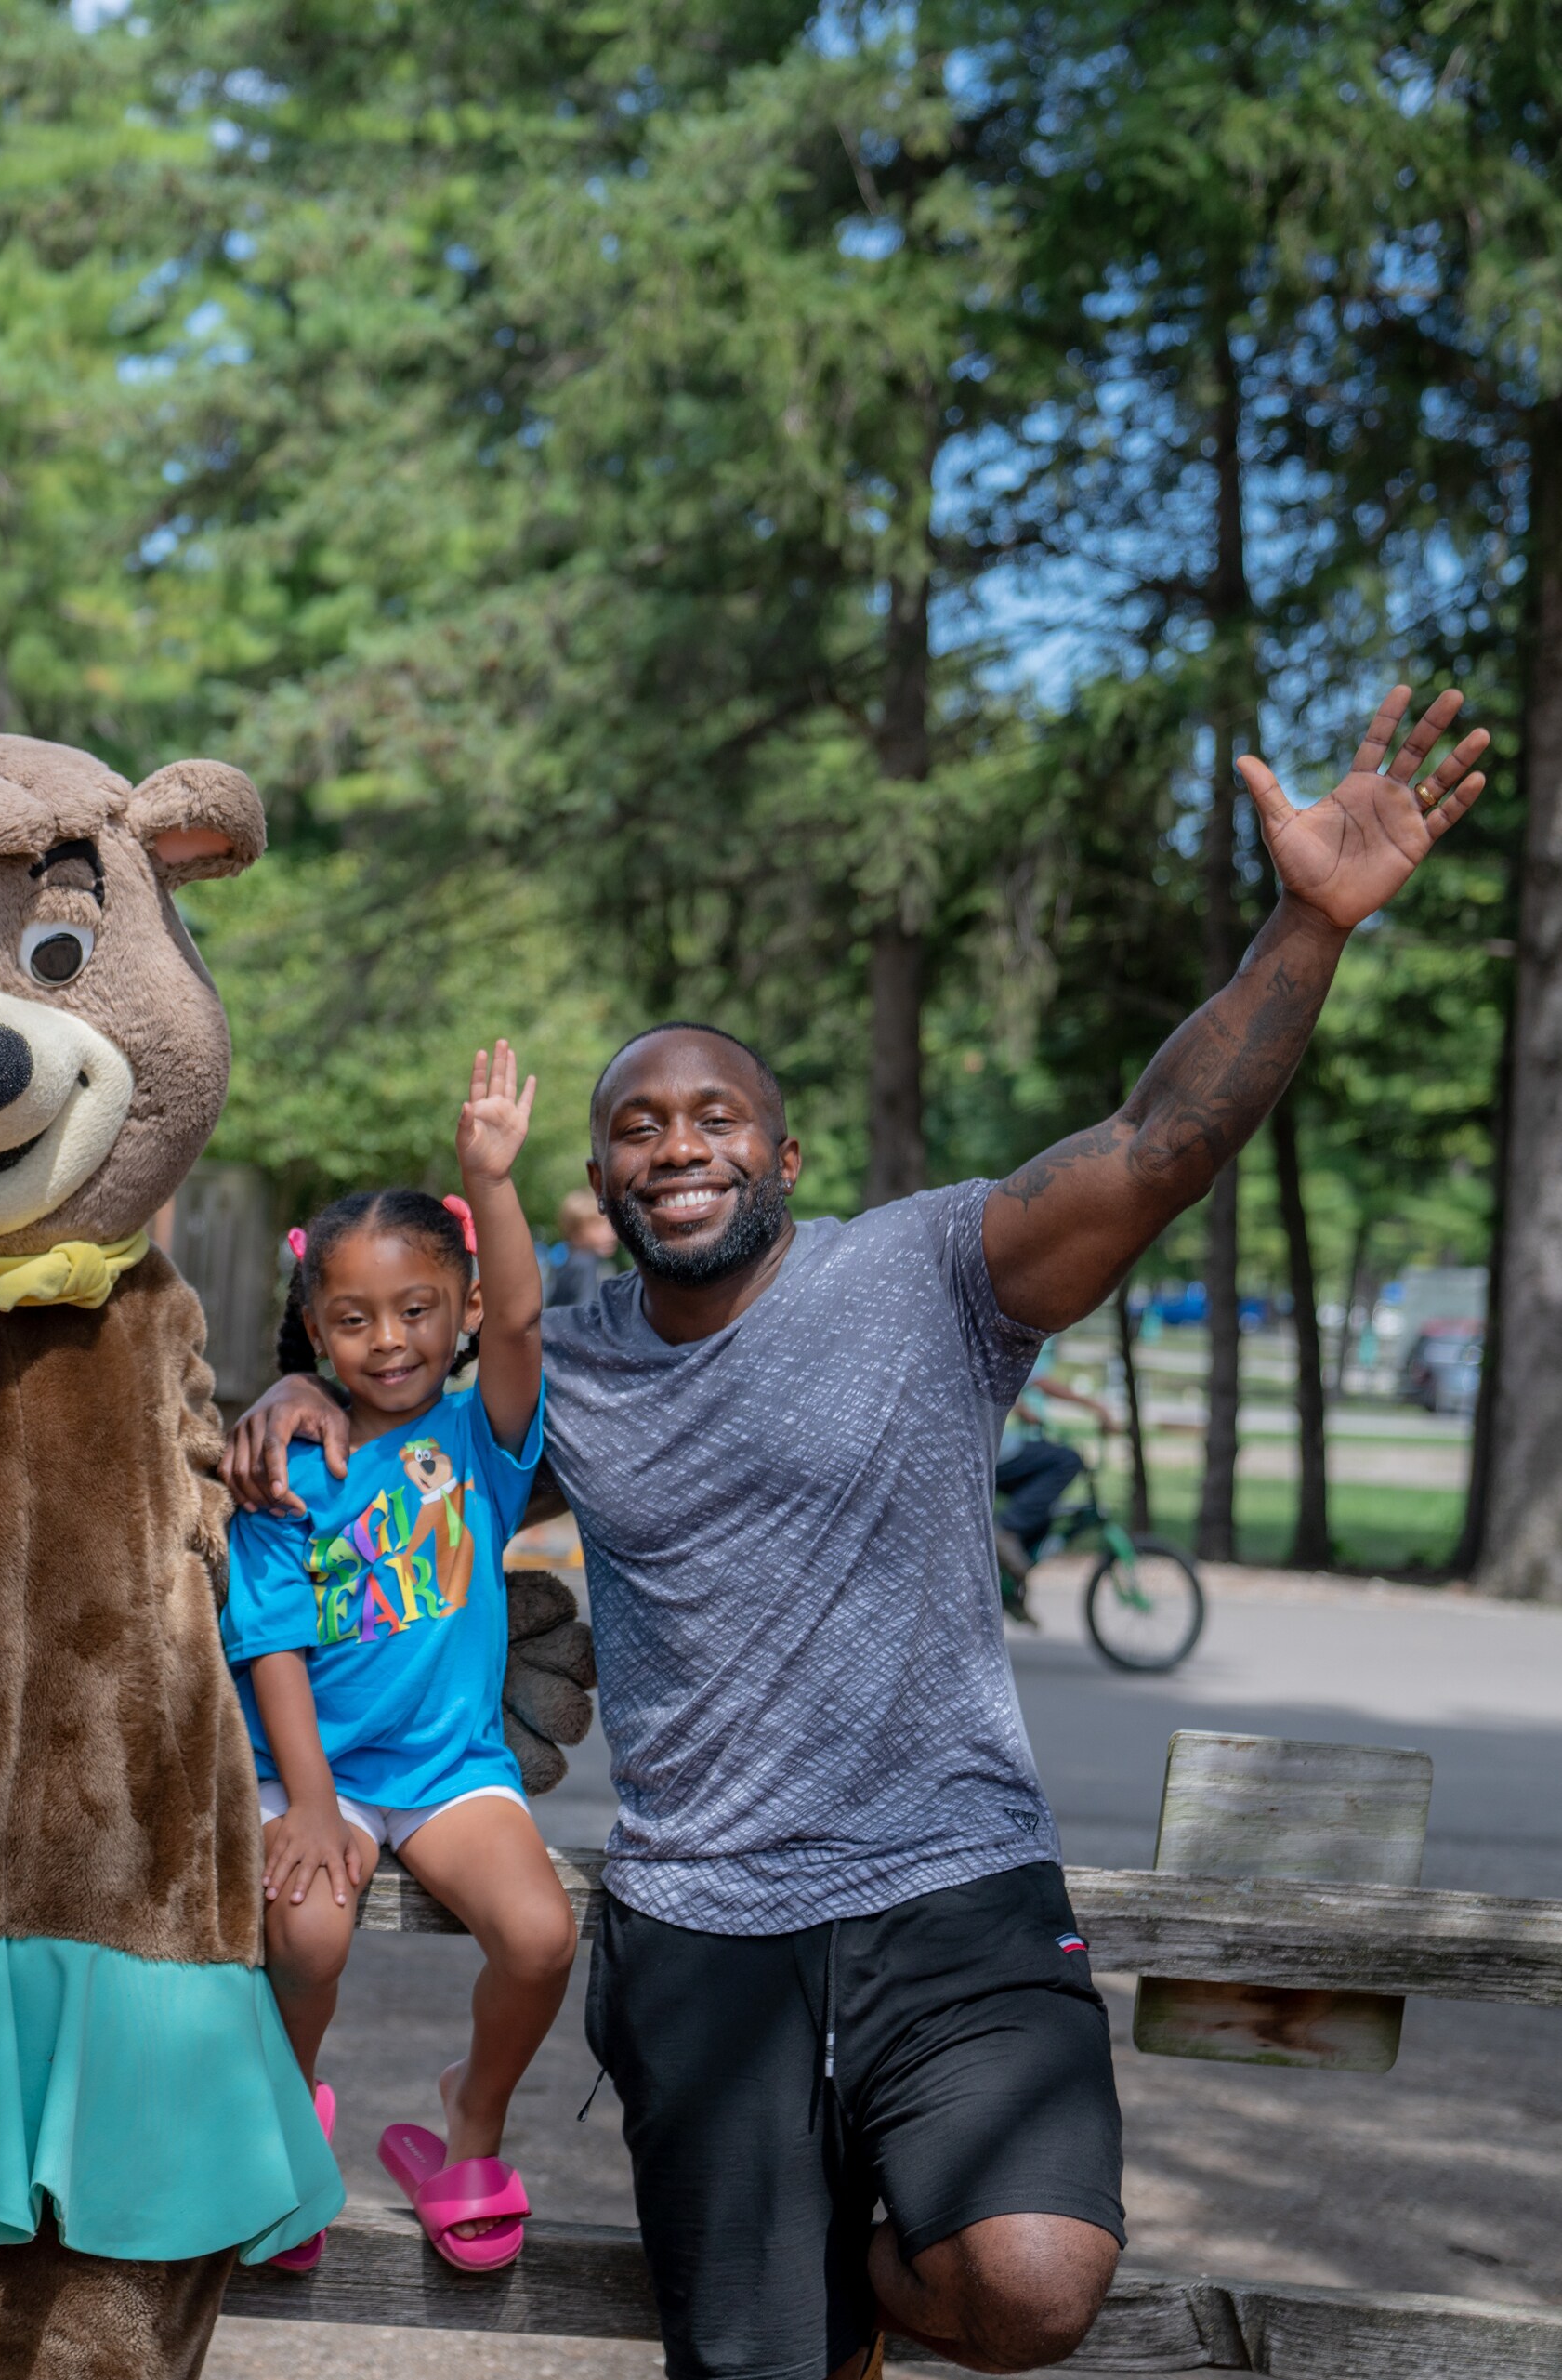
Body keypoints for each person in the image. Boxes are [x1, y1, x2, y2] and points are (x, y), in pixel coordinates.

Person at [229, 688, 1492, 2380]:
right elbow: (394, 1460)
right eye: (638, 1125)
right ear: (603, 1181)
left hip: (953, 1883)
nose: (678, 1140)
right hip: (703, 1931)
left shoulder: (930, 1275)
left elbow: (1159, 1147)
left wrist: (1307, 926)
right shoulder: (568, 1365)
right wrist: (284, 1402)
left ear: (786, 1156)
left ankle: (855, 2271)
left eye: (715, 1116)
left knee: (1037, 2283)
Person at [225, 1038, 573, 2277]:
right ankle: (284, 2118)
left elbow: (530, 1311)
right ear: (314, 1324)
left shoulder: (483, 1438)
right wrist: (310, 1802)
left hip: (447, 1765)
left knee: (540, 1939)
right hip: (314, 1766)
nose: (388, 1340)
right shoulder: (285, 1459)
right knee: (309, 1933)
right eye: (355, 1318)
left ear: (462, 1312)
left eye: (418, 1310)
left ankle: (466, 2122)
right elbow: (267, 1637)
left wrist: (493, 1181)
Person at [993, 1352, 1110, 1599]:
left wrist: (1020, 1406)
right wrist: (1095, 1406)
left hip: (993, 1449)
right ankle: (1007, 1529)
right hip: (997, 1450)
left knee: (1041, 1507)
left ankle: (1010, 1588)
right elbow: (1039, 1382)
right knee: (1067, 1459)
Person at [540, 1186, 619, 1308]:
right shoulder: (586, 1264)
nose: (612, 1234)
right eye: (599, 1227)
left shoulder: (567, 1263)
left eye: (611, 1225)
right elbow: (587, 1313)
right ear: (577, 1233)